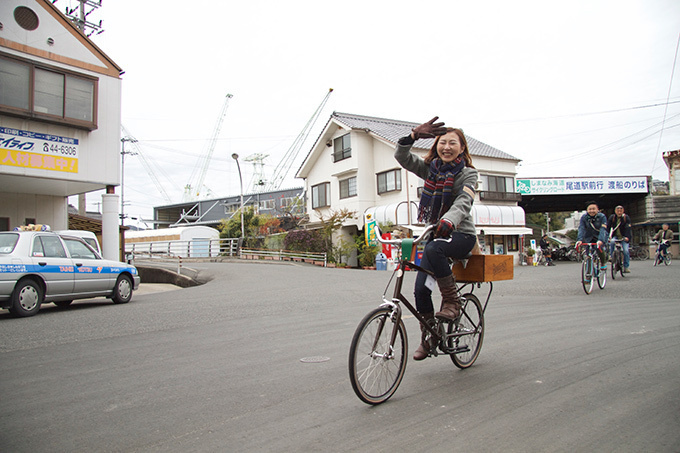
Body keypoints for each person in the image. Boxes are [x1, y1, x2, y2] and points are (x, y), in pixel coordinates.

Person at [394, 117, 478, 361]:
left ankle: (452, 302)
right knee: (420, 289)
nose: (447, 147)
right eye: (443, 142)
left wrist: (449, 220)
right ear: (436, 145)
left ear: (462, 148)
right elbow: (402, 157)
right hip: (437, 238)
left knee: (434, 249)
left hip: (461, 235)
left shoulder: (468, 174)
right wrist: (412, 137)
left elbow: (464, 201)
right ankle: (430, 336)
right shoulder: (431, 169)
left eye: (453, 143)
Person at [575, 201, 608, 269]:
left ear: (597, 210)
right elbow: (581, 228)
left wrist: (601, 240)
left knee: (599, 249)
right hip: (588, 237)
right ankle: (588, 273)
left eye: (594, 209)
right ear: (587, 210)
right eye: (590, 209)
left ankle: (603, 262)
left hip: (599, 236)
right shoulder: (584, 218)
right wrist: (579, 240)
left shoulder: (602, 217)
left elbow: (603, 229)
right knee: (588, 255)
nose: (591, 211)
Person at [607, 205, 632, 273]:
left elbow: (628, 228)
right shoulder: (612, 218)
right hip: (615, 236)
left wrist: (627, 237)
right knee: (612, 242)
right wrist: (607, 236)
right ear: (615, 211)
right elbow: (608, 227)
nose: (619, 212)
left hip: (624, 237)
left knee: (626, 251)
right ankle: (611, 256)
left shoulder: (626, 218)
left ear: (623, 211)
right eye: (618, 211)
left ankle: (626, 267)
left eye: (620, 211)